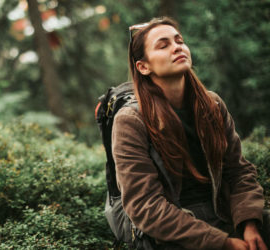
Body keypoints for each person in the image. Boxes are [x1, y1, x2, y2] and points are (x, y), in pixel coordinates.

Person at [111, 17, 268, 250]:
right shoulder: (130, 121)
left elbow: (238, 171)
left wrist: (250, 223)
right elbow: (146, 207)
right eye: (163, 45)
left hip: (222, 211)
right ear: (143, 67)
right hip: (172, 229)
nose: (177, 47)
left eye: (179, 41)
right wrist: (223, 243)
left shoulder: (212, 105)